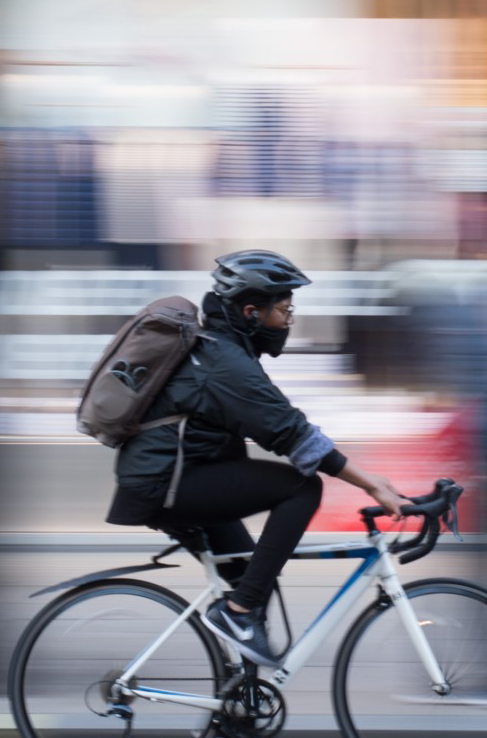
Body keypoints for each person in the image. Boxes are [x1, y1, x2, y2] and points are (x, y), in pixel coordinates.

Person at [106, 249, 406, 671]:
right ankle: (240, 614)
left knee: (253, 582)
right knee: (302, 487)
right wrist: (371, 484)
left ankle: (241, 721)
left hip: (177, 479)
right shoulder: (223, 363)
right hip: (164, 484)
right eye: (284, 308)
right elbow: (292, 434)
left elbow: (279, 426)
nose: (290, 318)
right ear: (251, 311)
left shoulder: (223, 352)